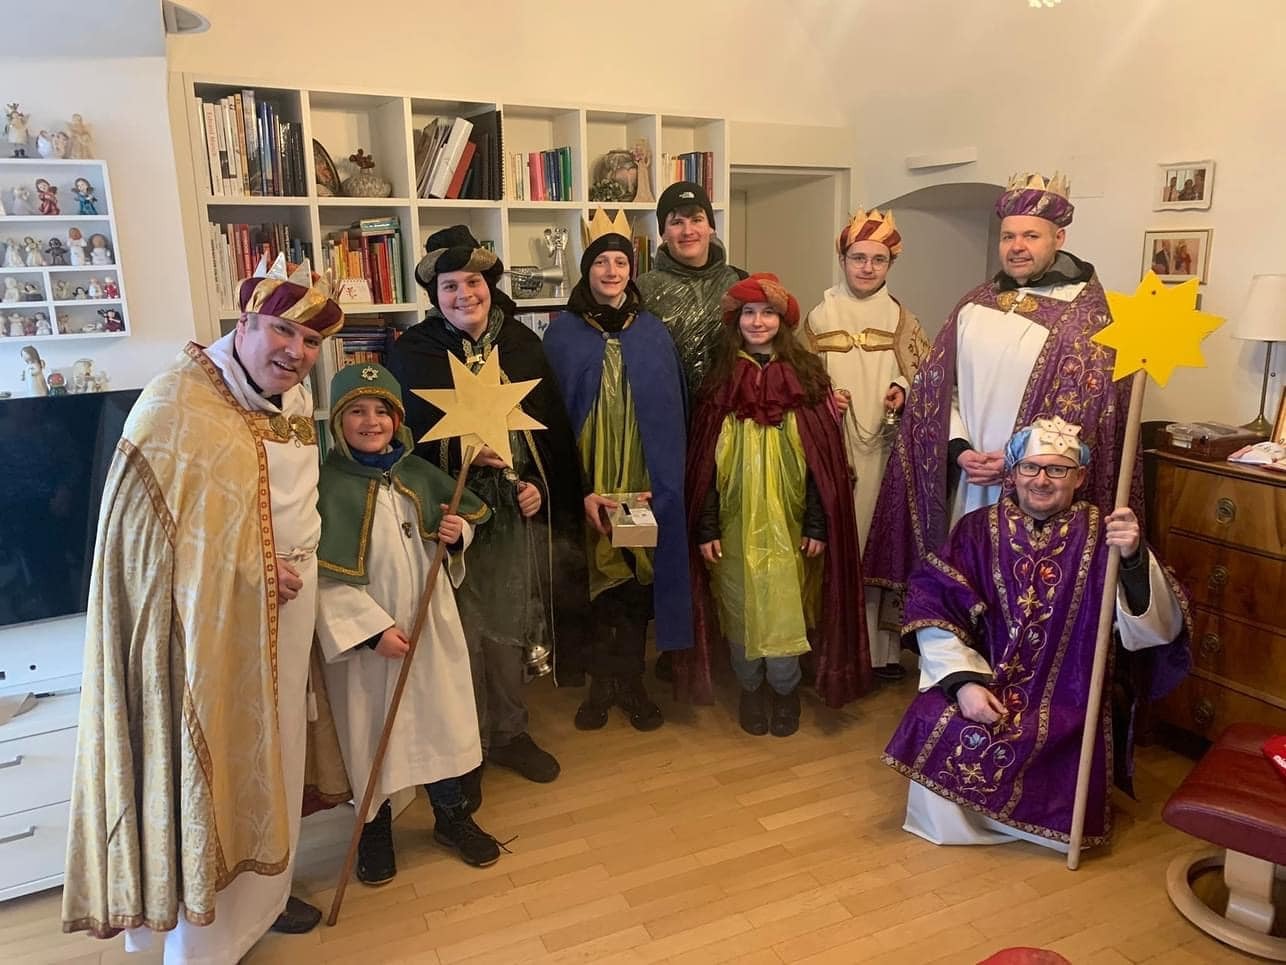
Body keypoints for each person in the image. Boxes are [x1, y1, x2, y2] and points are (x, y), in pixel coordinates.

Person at [62, 255, 351, 960]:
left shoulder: (291, 400)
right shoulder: (177, 405)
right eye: (283, 330)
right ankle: (205, 936)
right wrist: (251, 565)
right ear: (245, 322)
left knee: (275, 757)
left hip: (286, 617)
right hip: (207, 632)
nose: (296, 351)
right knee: (215, 769)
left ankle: (263, 899)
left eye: (311, 340)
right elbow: (144, 546)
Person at [883, 417, 1191, 850]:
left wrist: (1134, 558)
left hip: (1068, 694)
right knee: (932, 717)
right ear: (1012, 473)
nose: (1041, 480)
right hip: (988, 675)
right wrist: (964, 683)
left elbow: (1155, 629)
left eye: (1057, 469)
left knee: (1047, 732)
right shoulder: (975, 530)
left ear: (1079, 477)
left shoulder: (1107, 535)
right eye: (1030, 467)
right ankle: (966, 826)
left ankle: (1045, 830)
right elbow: (933, 602)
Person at [866, 172, 1139, 594]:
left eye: (1031, 235)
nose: (1017, 246)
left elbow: (1093, 417)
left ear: (1059, 238)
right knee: (965, 584)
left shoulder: (1090, 318)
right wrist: (959, 450)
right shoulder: (974, 305)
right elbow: (939, 392)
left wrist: (1016, 461)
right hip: (969, 483)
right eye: (1008, 236)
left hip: (1038, 485)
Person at [388, 226, 588, 798]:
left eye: (472, 282)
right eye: (450, 286)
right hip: (447, 519)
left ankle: (509, 732)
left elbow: (550, 437)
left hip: (511, 518)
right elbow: (400, 443)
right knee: (459, 634)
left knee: (507, 628)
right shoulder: (413, 353)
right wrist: (460, 459)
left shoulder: (522, 345)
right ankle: (464, 746)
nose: (463, 295)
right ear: (436, 294)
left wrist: (537, 488)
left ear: (489, 285)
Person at [316, 363, 508, 878]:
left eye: (382, 411)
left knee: (436, 722)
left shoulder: (417, 473)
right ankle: (373, 828)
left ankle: (451, 815)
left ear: (397, 420)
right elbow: (324, 577)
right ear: (338, 421)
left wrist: (456, 533)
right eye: (357, 411)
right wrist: (370, 632)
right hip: (369, 644)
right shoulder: (325, 486)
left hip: (430, 626)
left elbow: (458, 527)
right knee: (372, 734)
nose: (371, 421)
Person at [684, 273, 868, 736]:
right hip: (732, 524)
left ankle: (785, 690)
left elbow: (823, 465)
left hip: (792, 523)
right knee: (740, 605)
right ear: (736, 321)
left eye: (768, 313)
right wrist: (706, 526)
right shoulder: (718, 381)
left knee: (788, 606)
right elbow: (702, 466)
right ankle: (751, 688)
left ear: (783, 322)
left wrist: (817, 524)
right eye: (749, 313)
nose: (758, 321)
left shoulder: (809, 379)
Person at [543, 210, 692, 732]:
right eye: (601, 262)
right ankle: (600, 683)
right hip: (588, 486)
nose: (612, 271)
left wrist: (662, 481)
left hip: (639, 485)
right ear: (587, 270)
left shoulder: (652, 333)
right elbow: (551, 417)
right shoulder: (562, 335)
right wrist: (577, 486)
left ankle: (631, 681)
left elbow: (672, 412)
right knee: (592, 584)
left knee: (632, 583)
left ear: (632, 270)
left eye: (621, 262)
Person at [803, 208, 930, 681]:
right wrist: (822, 398)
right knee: (835, 543)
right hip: (833, 448)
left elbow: (928, 374)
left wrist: (903, 386)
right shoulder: (819, 316)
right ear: (842, 259)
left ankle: (879, 653)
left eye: (879, 259)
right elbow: (798, 379)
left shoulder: (902, 318)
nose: (867, 267)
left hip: (884, 450)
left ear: (891, 263)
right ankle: (831, 648)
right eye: (859, 257)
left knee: (878, 542)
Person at [636, 180, 748, 400]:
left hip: (730, 411)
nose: (688, 231)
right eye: (677, 222)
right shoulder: (643, 289)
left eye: (696, 220)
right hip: (670, 410)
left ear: (711, 227)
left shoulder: (740, 282)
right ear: (663, 233)